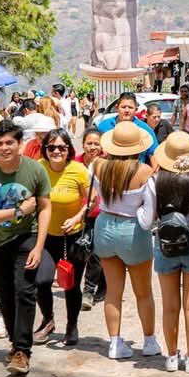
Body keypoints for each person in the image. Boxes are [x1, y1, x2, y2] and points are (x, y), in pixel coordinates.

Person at [0, 119, 52, 376]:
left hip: (26, 236)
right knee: (4, 295)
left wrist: (39, 246)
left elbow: (45, 208)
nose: (4, 148)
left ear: (20, 144)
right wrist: (18, 211)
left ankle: (22, 351)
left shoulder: (35, 170)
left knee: (25, 290)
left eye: (9, 143)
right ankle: (16, 344)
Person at [138, 132, 189, 373]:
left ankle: (172, 357)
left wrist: (139, 209)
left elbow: (146, 222)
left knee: (170, 306)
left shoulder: (155, 182)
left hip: (166, 241)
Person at [91, 121, 162, 359]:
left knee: (113, 291)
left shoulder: (97, 165)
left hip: (104, 226)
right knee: (144, 292)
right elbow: (150, 213)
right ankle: (149, 341)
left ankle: (114, 343)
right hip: (133, 230)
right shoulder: (144, 171)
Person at [34, 129, 90, 347]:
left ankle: (71, 325)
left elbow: (92, 200)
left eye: (61, 147)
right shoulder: (39, 167)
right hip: (46, 237)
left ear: (69, 150)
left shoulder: (78, 170)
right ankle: (48, 320)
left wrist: (77, 217)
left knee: (71, 285)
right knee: (41, 281)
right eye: (51, 147)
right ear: (45, 149)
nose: (56, 151)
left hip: (72, 238)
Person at [77, 128, 106, 310]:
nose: (93, 147)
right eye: (89, 143)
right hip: (78, 215)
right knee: (82, 251)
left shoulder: (106, 164)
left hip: (100, 214)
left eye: (96, 143)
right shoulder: (75, 163)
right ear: (83, 145)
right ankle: (101, 286)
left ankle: (88, 290)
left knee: (95, 251)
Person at [96, 92, 159, 166]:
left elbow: (154, 155)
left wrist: (152, 172)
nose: (127, 110)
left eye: (130, 107)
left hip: (136, 171)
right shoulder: (104, 126)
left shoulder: (145, 129)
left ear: (136, 109)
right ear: (117, 108)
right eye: (123, 107)